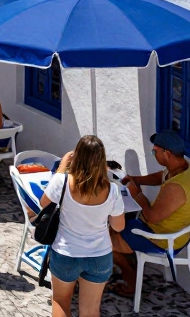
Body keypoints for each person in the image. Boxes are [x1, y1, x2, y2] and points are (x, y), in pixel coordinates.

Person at [109, 130, 190, 298]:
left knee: (105, 239)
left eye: (155, 152)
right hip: (167, 229)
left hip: (163, 239)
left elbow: (152, 216)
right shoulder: (185, 168)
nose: (153, 154)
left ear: (167, 154)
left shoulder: (177, 188)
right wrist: (136, 180)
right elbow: (161, 177)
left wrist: (136, 194)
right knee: (119, 223)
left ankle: (131, 280)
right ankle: (131, 263)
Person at [39, 136, 126, 317]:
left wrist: (62, 166)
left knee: (60, 302)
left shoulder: (62, 182)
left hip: (66, 253)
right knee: (90, 310)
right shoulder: (113, 190)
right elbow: (119, 227)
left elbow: (43, 203)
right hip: (99, 255)